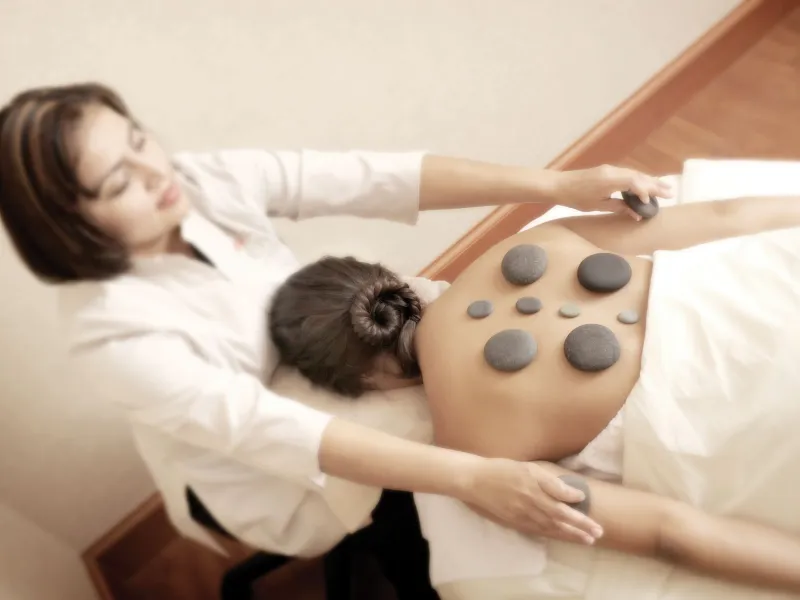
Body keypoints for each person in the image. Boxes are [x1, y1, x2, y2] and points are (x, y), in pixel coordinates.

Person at [0, 81, 670, 584]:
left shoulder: (199, 180)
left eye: (139, 139)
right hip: (268, 463)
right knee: (458, 425)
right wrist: (474, 479)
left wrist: (560, 183)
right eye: (120, 181)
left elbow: (371, 178)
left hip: (322, 351)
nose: (157, 172)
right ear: (72, 225)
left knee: (460, 331)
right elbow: (276, 432)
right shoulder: (114, 339)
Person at [268, 194, 800, 593]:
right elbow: (725, 218)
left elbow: (673, 534)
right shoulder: (530, 242)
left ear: (365, 384)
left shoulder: (475, 457)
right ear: (390, 280)